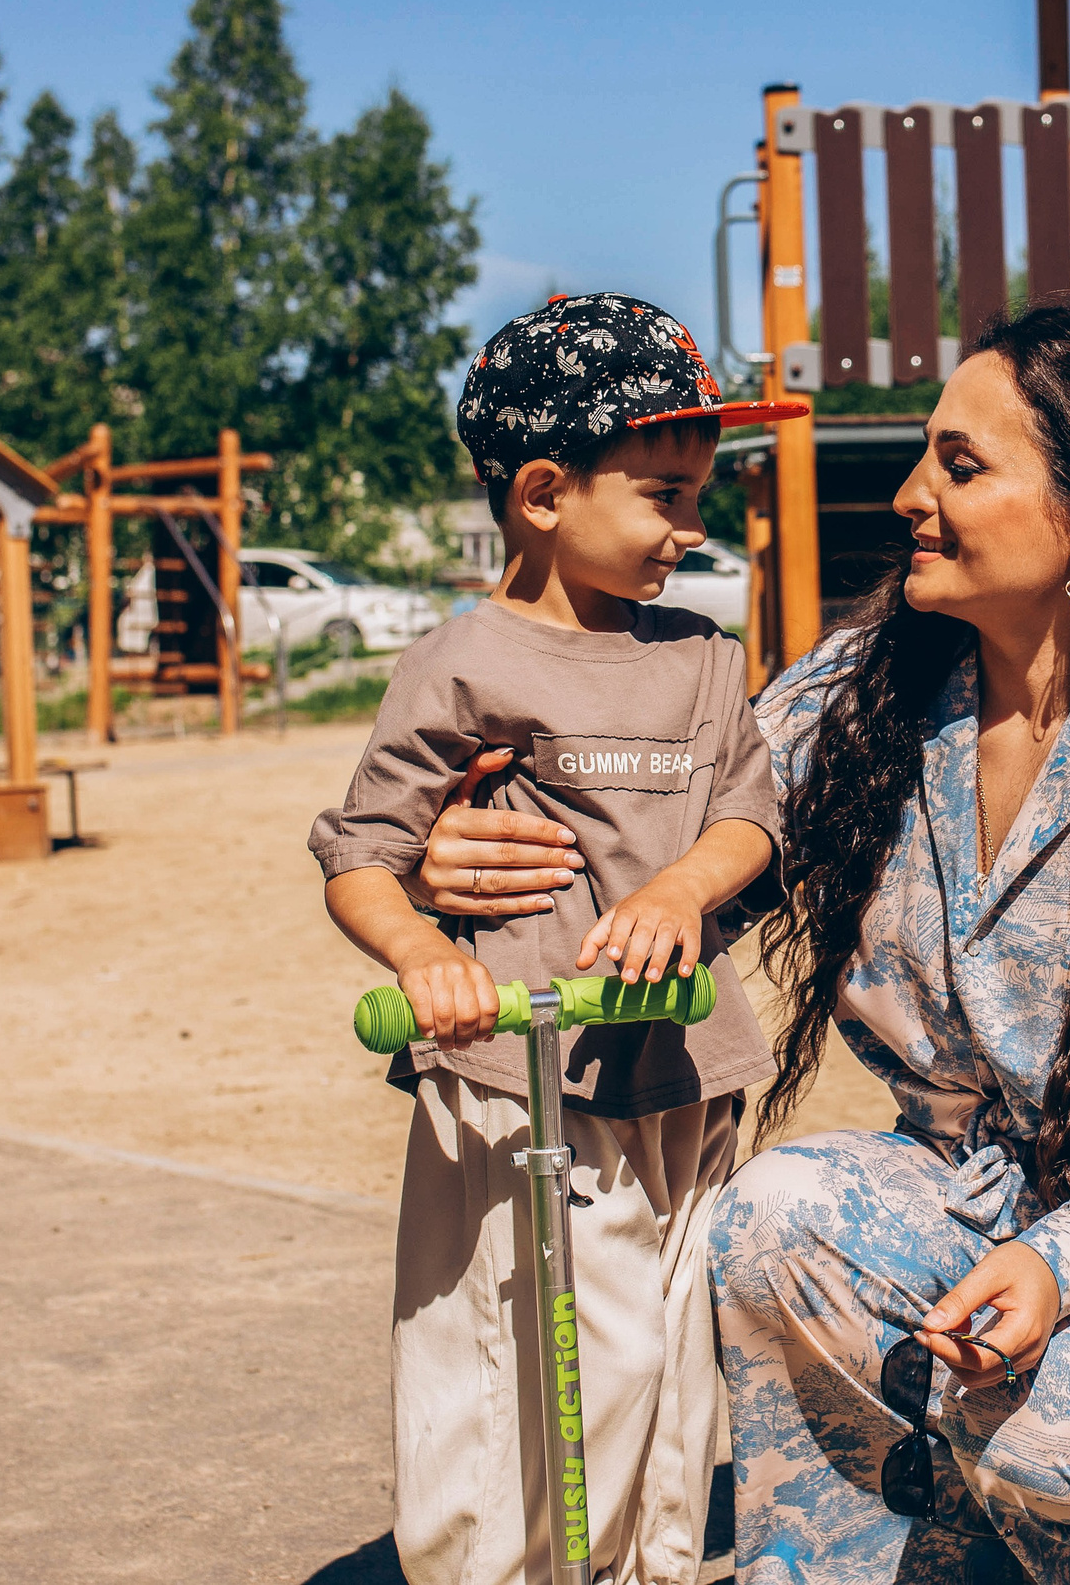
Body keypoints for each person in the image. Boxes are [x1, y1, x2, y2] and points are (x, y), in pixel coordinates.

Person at [413, 304, 1070, 1584]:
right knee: (769, 1223)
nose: (910, 492)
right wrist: (468, 847)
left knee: (1061, 1430)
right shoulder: (871, 690)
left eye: (962, 465)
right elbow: (692, 842)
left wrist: (1061, 1252)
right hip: (982, 1180)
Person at [308, 292, 804, 1585]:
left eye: (699, 492)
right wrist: (425, 956)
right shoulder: (458, 664)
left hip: (678, 1075)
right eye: (661, 493)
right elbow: (361, 849)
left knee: (665, 1352)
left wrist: (681, 890)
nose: (690, 527)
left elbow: (751, 814)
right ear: (543, 490)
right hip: (517, 1080)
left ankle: (649, 1560)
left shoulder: (701, 658)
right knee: (509, 1359)